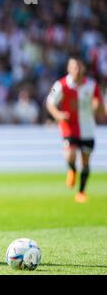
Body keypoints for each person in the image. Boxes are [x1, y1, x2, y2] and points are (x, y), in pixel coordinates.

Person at [46, 57, 105, 203]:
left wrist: (98, 108)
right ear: (68, 69)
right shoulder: (59, 84)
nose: (76, 70)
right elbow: (49, 102)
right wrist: (57, 114)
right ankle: (72, 169)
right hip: (69, 127)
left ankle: (81, 192)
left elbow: (100, 105)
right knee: (69, 155)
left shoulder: (92, 85)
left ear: (83, 68)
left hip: (87, 128)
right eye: (74, 67)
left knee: (85, 162)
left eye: (79, 67)